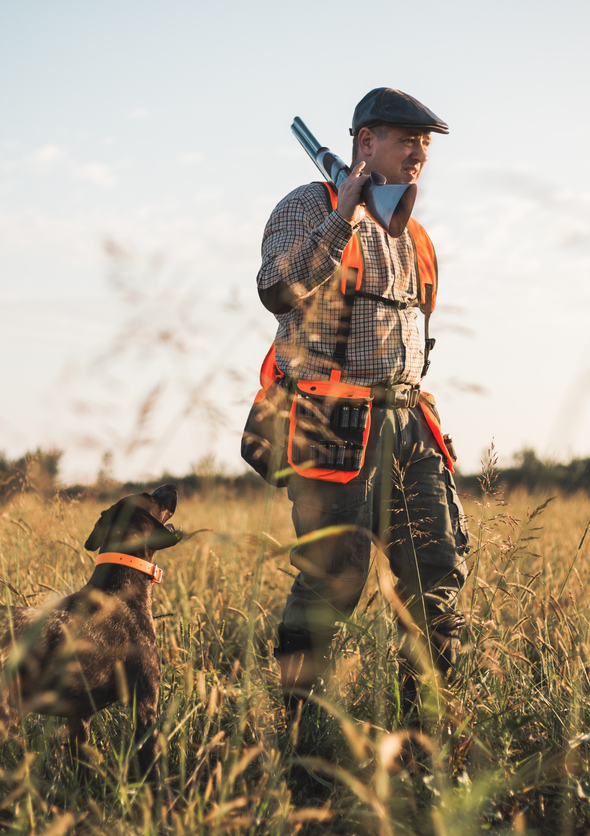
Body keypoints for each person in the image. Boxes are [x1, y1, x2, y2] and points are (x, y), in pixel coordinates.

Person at [255, 88, 471, 725]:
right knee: (334, 580)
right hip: (331, 425)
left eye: (425, 146)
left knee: (437, 579)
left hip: (408, 423)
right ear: (365, 143)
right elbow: (277, 289)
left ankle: (419, 734)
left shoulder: (416, 235)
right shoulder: (307, 206)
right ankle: (301, 733)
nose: (419, 156)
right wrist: (341, 216)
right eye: (408, 142)